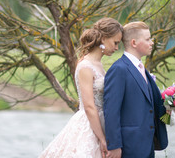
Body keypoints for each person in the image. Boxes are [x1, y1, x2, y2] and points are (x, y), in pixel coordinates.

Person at [39, 18, 123, 158]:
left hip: (103, 121)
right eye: (115, 42)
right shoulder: (85, 66)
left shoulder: (99, 64)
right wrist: (102, 139)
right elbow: (89, 106)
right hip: (90, 125)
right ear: (103, 38)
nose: (116, 48)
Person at [103, 21, 168, 158]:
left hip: (147, 145)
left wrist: (173, 107)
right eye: (147, 39)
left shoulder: (141, 68)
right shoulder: (119, 69)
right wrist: (114, 146)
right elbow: (111, 111)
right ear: (134, 43)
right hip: (129, 147)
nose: (152, 43)